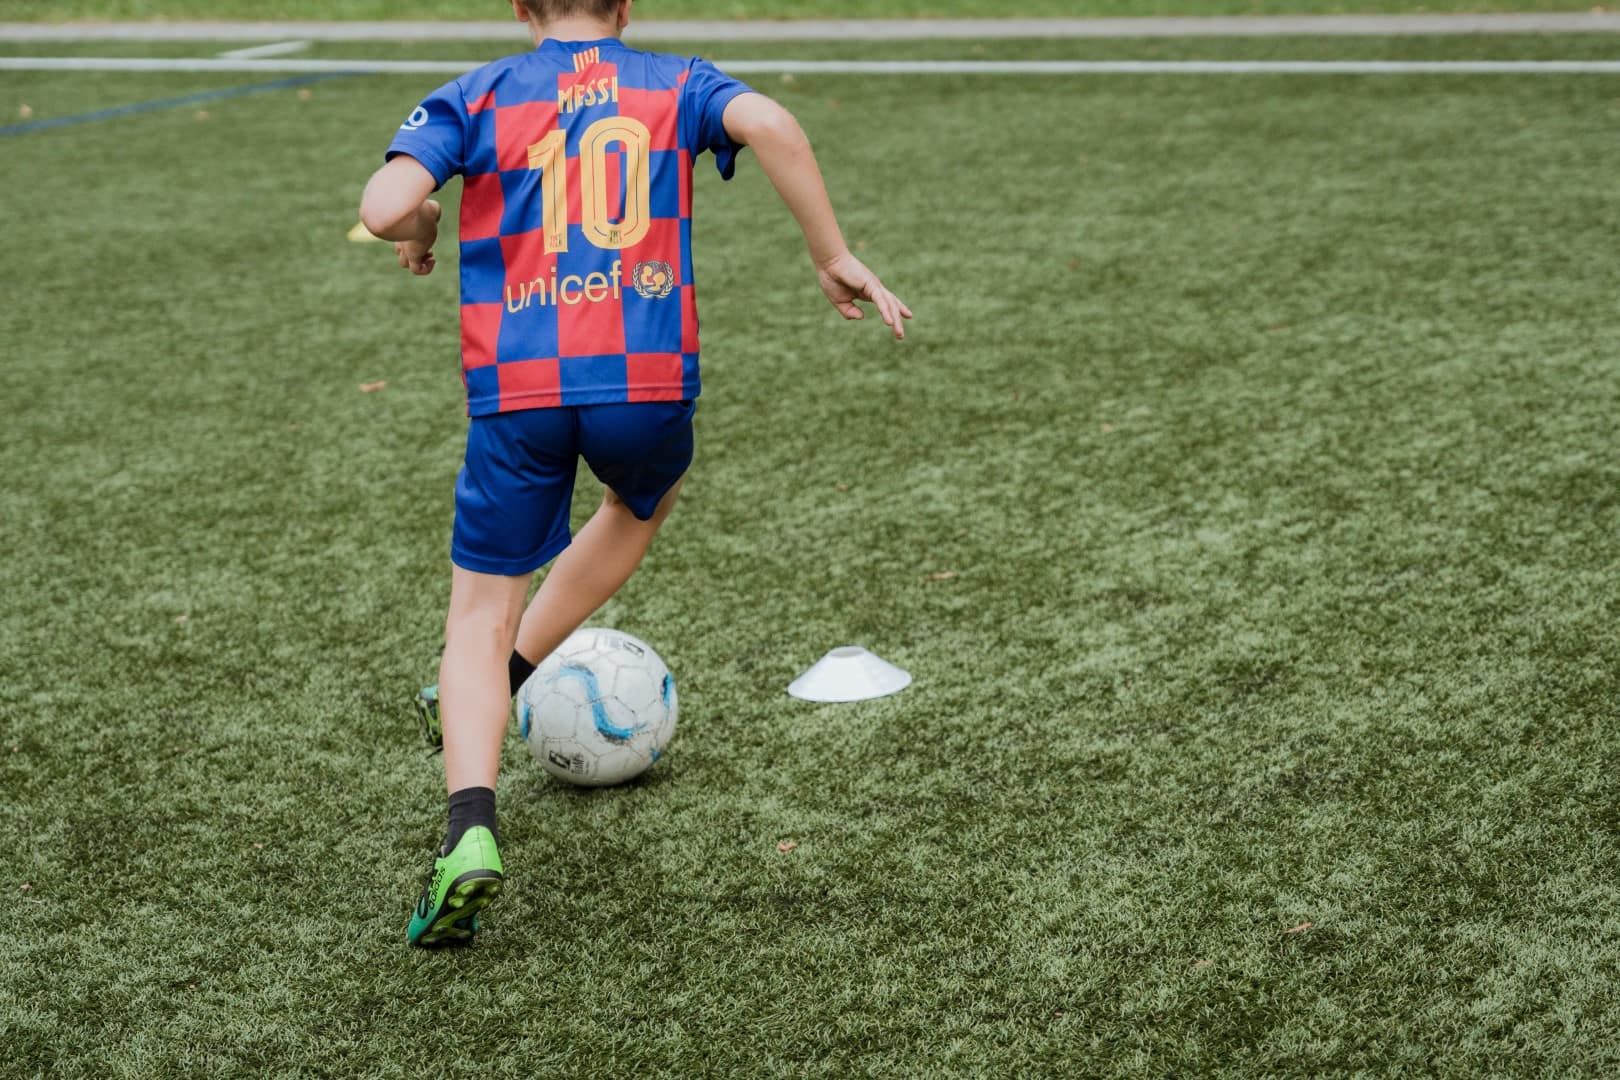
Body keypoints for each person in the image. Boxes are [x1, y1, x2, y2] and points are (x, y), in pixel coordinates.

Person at [359, 0, 911, 948]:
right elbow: (773, 124)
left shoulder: (475, 92)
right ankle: (518, 668)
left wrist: (424, 219)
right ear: (624, 7)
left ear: (520, 7)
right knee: (638, 501)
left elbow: (380, 209)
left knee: (476, 612)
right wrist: (833, 254)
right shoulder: (679, 81)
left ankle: (471, 830)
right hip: (645, 380)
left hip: (520, 388)